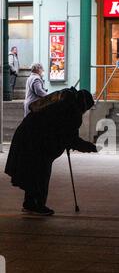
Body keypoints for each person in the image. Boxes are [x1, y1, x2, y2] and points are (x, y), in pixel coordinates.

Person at [5, 88, 97, 216]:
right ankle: (37, 205)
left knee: (33, 171)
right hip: (36, 142)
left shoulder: (62, 99)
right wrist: (90, 147)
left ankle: (30, 204)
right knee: (41, 172)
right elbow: (71, 138)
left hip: (26, 134)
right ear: (83, 105)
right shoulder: (71, 111)